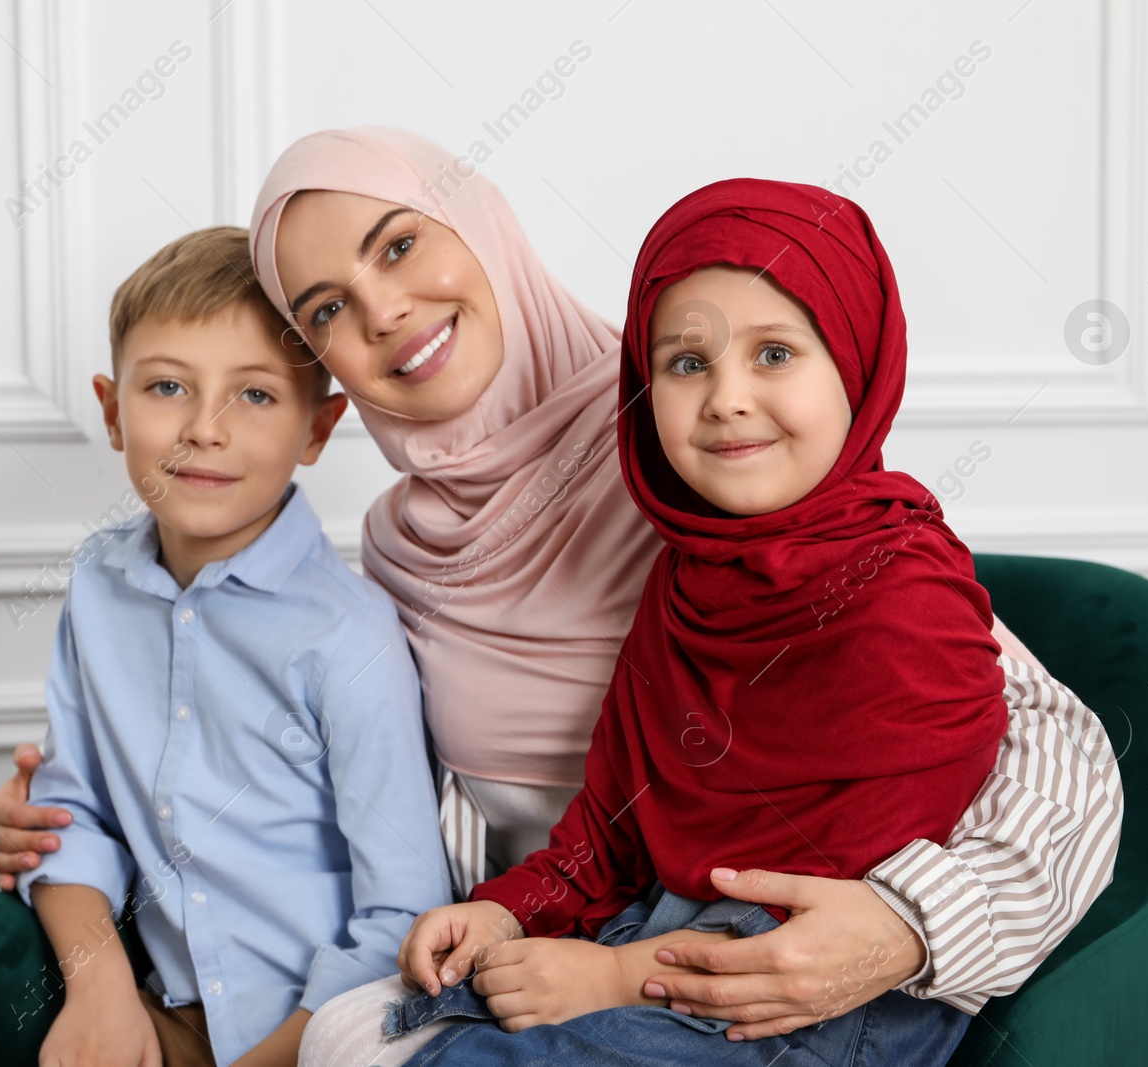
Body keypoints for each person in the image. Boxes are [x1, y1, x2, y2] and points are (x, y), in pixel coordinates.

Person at [0, 129, 1121, 1054]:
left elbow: (1047, 748)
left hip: (773, 961)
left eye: (400, 244)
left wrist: (900, 928)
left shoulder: (701, 449)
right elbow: (350, 799)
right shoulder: (395, 564)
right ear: (332, 383)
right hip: (549, 949)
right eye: (324, 307)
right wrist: (82, 819)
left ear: (484, 230)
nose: (380, 310)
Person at [383, 177, 1048, 1066]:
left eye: (775, 354)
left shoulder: (905, 591)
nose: (727, 398)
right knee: (443, 1031)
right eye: (688, 364)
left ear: (854, 363)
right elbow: (616, 824)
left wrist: (616, 976)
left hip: (817, 998)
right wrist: (508, 907)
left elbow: (842, 918)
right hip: (670, 939)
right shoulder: (689, 580)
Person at [2, 226, 448, 1067]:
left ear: (318, 429)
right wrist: (101, 992)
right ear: (111, 409)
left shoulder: (347, 635)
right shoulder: (99, 586)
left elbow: (399, 914)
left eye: (255, 395)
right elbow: (74, 814)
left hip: (318, 1038)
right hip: (162, 1007)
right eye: (168, 385)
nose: (204, 429)